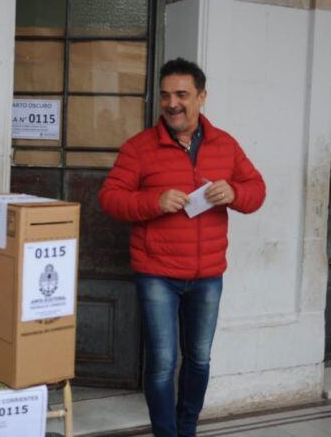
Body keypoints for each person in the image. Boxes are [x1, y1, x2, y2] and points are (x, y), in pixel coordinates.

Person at [99, 58, 265, 437]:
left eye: (182, 95)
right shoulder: (139, 148)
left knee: (199, 359)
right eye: (166, 95)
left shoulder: (226, 145)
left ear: (202, 97)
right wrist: (154, 201)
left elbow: (257, 191)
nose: (172, 103)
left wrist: (235, 192)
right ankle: (166, 433)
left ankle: (186, 428)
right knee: (161, 361)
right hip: (157, 272)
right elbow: (110, 198)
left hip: (208, 275)